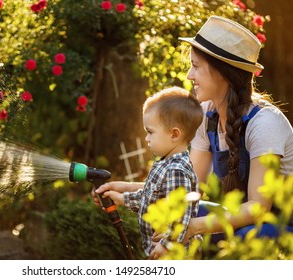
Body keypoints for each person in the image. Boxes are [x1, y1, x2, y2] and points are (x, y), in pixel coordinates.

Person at [95, 15, 293, 247]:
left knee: (240, 237)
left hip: (280, 226)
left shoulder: (264, 124)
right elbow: (187, 187)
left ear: (223, 72)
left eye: (196, 66)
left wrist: (193, 228)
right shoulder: (206, 115)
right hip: (243, 221)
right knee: (185, 212)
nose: (189, 75)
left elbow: (258, 209)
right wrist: (126, 190)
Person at [96, 86, 204, 259]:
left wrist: (167, 245)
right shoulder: (165, 164)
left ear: (174, 134)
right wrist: (122, 198)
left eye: (150, 132)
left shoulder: (176, 171)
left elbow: (180, 217)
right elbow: (151, 198)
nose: (146, 138)